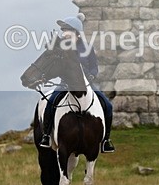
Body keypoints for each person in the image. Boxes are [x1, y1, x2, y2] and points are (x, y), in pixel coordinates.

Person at [39, 15, 115, 153]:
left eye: (68, 30)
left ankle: (106, 140)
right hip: (65, 84)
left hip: (86, 85)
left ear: (77, 34)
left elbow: (94, 67)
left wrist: (91, 75)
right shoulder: (60, 47)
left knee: (108, 105)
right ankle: (46, 135)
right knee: (50, 102)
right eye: (64, 30)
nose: (65, 33)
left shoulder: (87, 48)